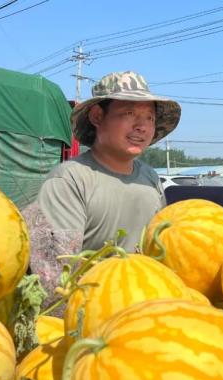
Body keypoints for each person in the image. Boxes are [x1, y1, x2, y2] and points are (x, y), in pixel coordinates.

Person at [35, 71, 181, 252]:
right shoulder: (70, 180)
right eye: (129, 113)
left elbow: (163, 246)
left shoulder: (150, 178)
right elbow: (56, 270)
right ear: (97, 116)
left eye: (149, 117)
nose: (141, 127)